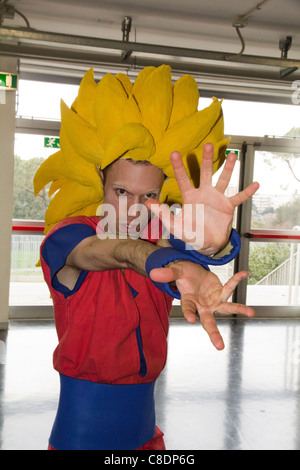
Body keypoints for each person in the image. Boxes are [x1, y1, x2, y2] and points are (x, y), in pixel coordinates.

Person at [34, 65, 259, 450]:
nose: (135, 209)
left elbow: (193, 251)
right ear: (99, 184)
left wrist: (211, 245)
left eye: (149, 197)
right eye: (121, 192)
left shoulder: (162, 232)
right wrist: (154, 258)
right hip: (80, 435)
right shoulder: (69, 234)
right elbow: (110, 252)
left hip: (147, 436)